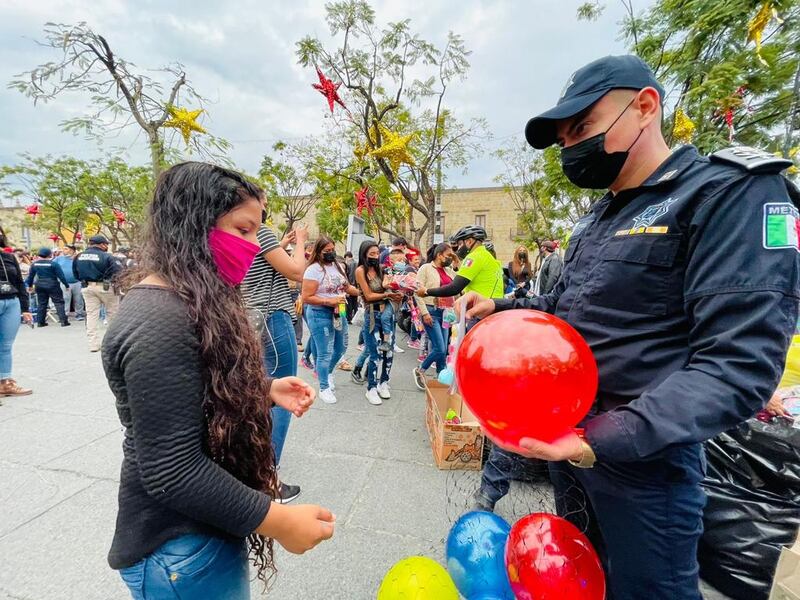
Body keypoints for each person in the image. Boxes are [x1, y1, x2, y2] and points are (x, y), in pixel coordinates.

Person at [459, 54, 800, 600]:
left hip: (644, 467)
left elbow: (738, 365)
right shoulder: (600, 216)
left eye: (584, 128)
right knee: (575, 583)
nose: (572, 148)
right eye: (565, 138)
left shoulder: (725, 195)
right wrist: (498, 308)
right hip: (567, 450)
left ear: (644, 107)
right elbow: (569, 309)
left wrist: (598, 440)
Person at [103, 162, 333, 599]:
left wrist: (261, 388)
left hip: (204, 530)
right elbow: (172, 470)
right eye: (242, 230)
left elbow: (194, 385)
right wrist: (280, 522)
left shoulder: (185, 300)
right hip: (177, 547)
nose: (251, 247)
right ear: (193, 224)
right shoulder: (158, 319)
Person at [241, 221, 309, 505]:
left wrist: (281, 245)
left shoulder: (237, 233)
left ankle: (250, 465)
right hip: (273, 318)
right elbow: (296, 272)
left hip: (250, 318)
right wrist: (302, 242)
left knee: (262, 390)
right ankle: (267, 479)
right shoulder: (261, 230)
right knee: (284, 394)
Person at [301, 238, 359, 404]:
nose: (331, 253)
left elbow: (347, 287)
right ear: (318, 252)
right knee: (325, 352)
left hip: (339, 310)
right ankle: (324, 387)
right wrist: (328, 301)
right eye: (327, 250)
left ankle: (328, 373)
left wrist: (362, 293)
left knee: (341, 347)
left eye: (333, 249)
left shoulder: (338, 266)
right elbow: (307, 297)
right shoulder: (312, 270)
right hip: (320, 312)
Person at [351, 241, 403, 404]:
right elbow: (368, 295)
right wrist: (388, 295)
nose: (375, 256)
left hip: (387, 314)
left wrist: (396, 292)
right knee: (375, 354)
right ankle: (371, 388)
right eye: (371, 254)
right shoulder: (360, 271)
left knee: (388, 352)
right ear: (364, 254)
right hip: (373, 316)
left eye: (377, 253)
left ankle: (384, 383)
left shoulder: (381, 269)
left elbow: (388, 287)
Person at [417, 225, 505, 306]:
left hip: (481, 308)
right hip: (494, 305)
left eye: (460, 244)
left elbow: (454, 288)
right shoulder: (488, 257)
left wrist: (426, 291)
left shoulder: (474, 257)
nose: (458, 248)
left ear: (469, 242)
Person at [412, 243, 457, 389]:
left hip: (445, 314)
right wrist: (424, 313)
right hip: (431, 310)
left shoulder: (449, 271)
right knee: (439, 348)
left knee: (443, 349)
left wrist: (456, 260)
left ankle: (440, 377)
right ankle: (420, 370)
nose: (450, 258)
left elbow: (459, 284)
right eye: (448, 255)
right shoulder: (425, 268)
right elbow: (417, 291)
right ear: (439, 255)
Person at [0, 228, 33, 400]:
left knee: (5, 345)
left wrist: (25, 308)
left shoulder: (9, 257)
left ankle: (5, 382)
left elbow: (20, 283)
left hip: (11, 302)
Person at [74, 234, 122, 352]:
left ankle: (93, 344)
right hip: (106, 287)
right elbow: (118, 272)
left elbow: (75, 273)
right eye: (106, 244)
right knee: (112, 314)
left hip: (87, 287)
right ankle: (112, 344)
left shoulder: (78, 256)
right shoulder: (107, 256)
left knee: (91, 315)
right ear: (102, 244)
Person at [25, 247, 70, 327]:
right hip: (52, 284)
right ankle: (63, 321)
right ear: (49, 254)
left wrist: (30, 285)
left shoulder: (35, 264)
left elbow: (30, 276)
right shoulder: (53, 264)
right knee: (59, 302)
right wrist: (66, 285)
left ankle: (40, 322)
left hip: (40, 284)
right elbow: (61, 276)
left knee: (42, 303)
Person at [53, 245, 85, 321]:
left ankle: (79, 314)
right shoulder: (58, 259)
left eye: (66, 249)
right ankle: (65, 315)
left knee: (78, 299)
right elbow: (51, 266)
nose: (63, 250)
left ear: (72, 250)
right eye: (63, 248)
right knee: (65, 298)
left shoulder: (78, 259)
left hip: (77, 282)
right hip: (64, 283)